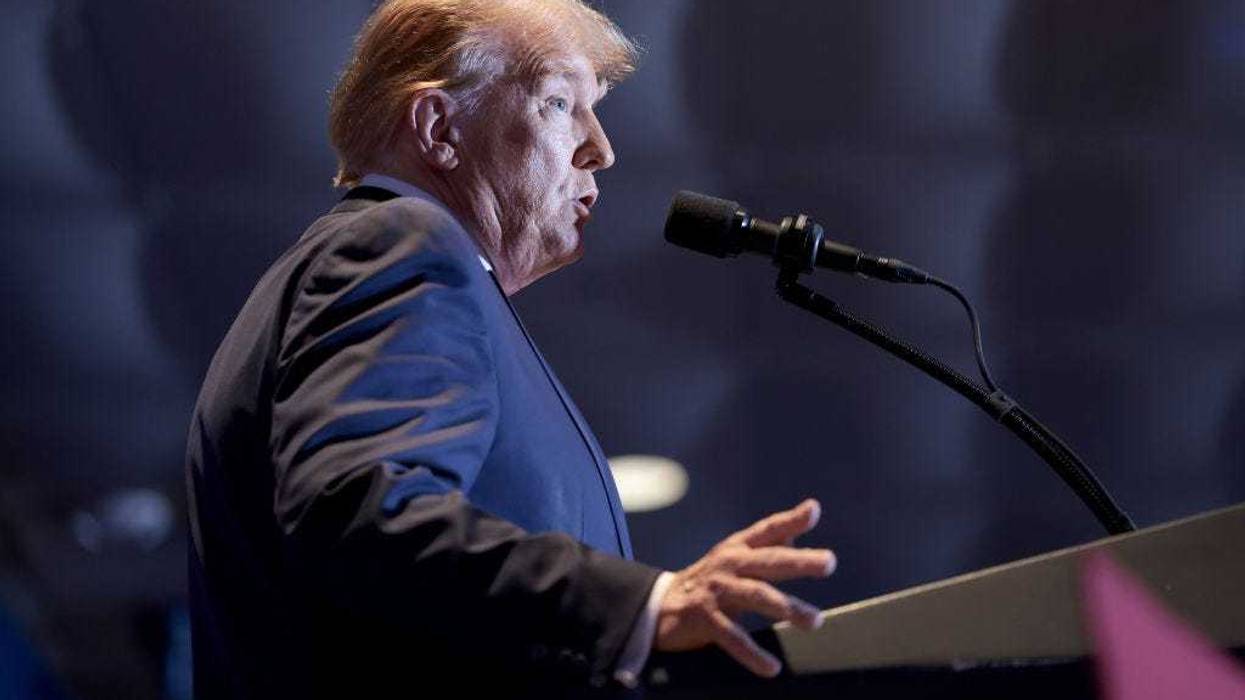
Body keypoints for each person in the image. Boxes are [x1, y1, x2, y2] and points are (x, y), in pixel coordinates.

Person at [185, 0, 835, 696]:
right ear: (438, 129)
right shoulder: (399, 243)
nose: (601, 148)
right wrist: (641, 606)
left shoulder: (392, 268)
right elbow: (361, 511)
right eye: (559, 103)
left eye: (594, 109)